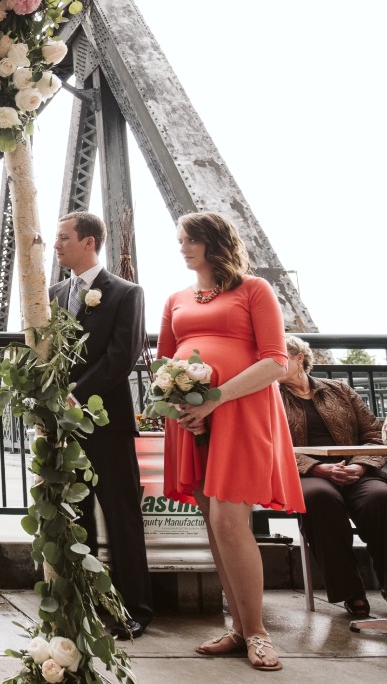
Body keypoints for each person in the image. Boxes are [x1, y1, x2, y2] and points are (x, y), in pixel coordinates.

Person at [158, 211, 304, 672]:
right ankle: (239, 629)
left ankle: (259, 633)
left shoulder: (254, 290)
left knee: (228, 520)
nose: (182, 247)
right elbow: (163, 361)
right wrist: (185, 408)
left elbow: (277, 362)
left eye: (189, 240)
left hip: (240, 412)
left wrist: (214, 398)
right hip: (193, 422)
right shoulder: (177, 298)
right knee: (213, 522)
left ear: (212, 241)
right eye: (180, 240)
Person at [50, 212, 153, 638]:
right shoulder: (55, 293)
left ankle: (135, 608)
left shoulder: (125, 293)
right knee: (77, 518)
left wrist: (74, 395)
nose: (56, 245)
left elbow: (122, 356)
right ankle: (86, 604)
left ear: (89, 242)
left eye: (63, 237)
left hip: (107, 423)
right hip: (64, 427)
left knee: (121, 515)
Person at [278, 335, 387, 617]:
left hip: (355, 470)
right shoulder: (269, 398)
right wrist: (316, 468)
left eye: (278, 357)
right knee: (320, 498)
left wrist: (360, 466)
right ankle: (350, 591)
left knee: (382, 498)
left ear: (298, 359)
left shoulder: (339, 389)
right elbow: (269, 444)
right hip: (305, 474)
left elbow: (373, 436)